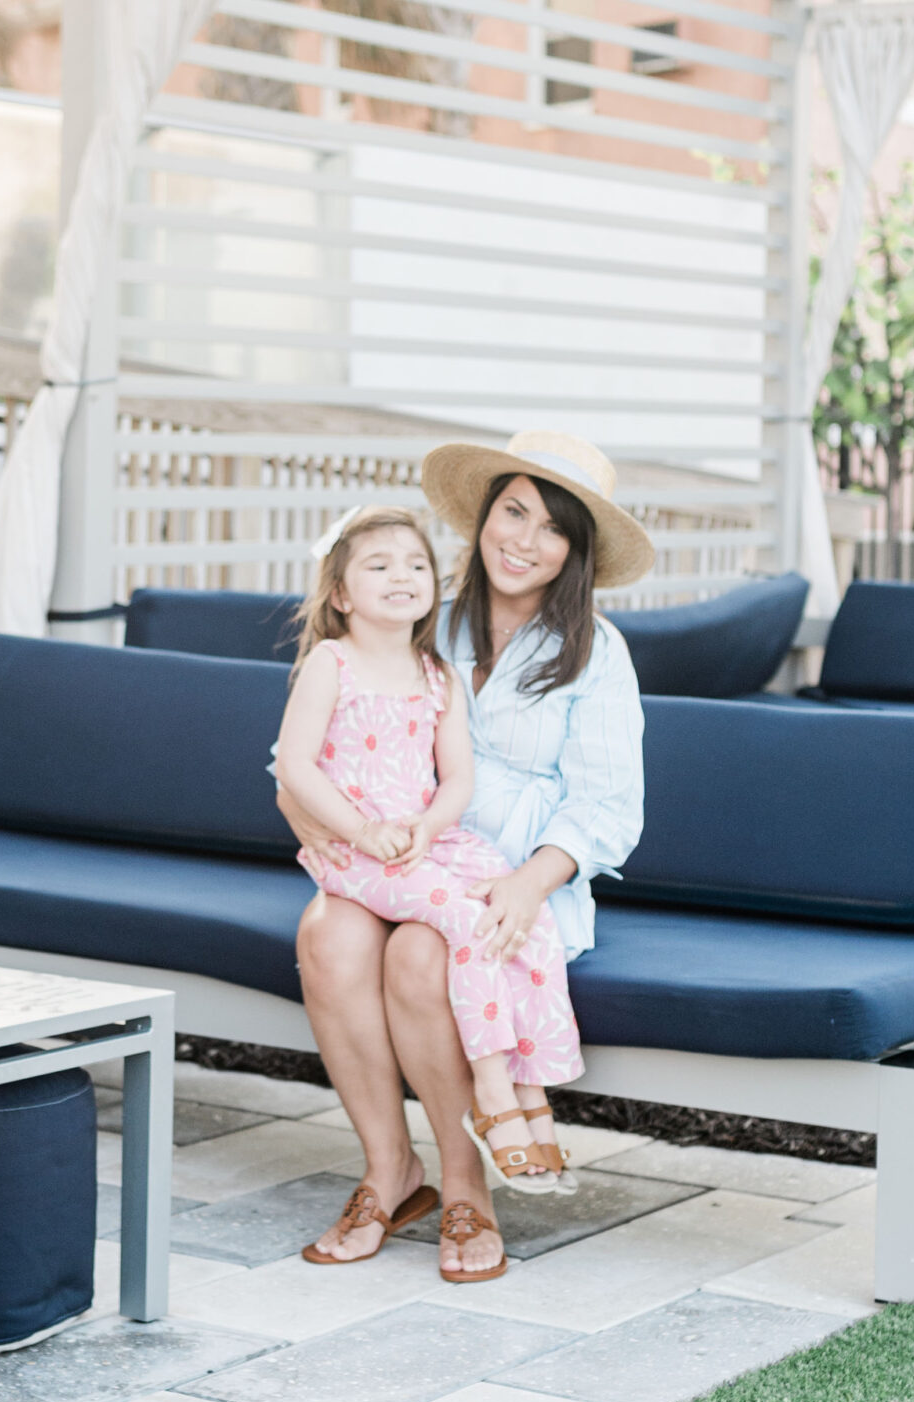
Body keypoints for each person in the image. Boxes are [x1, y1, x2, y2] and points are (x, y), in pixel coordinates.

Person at [277, 430, 650, 1284]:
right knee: (327, 934)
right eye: (512, 511)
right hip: (390, 855)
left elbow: (607, 809)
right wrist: (323, 826)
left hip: (518, 877)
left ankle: (461, 1178)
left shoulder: (596, 650)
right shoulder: (419, 618)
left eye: (552, 528)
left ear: (576, 551)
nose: (524, 539)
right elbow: (302, 758)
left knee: (420, 953)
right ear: (483, 517)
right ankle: (388, 1169)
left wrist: (526, 883)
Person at [272, 505, 581, 1242]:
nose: (401, 577)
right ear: (340, 593)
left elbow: (457, 779)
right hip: (357, 851)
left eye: (414, 565)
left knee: (513, 911)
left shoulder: (436, 672)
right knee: (465, 919)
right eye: (377, 567)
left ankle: (530, 1087)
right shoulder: (330, 662)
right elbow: (292, 764)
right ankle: (493, 1093)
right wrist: (363, 830)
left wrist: (428, 827)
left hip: (423, 844)